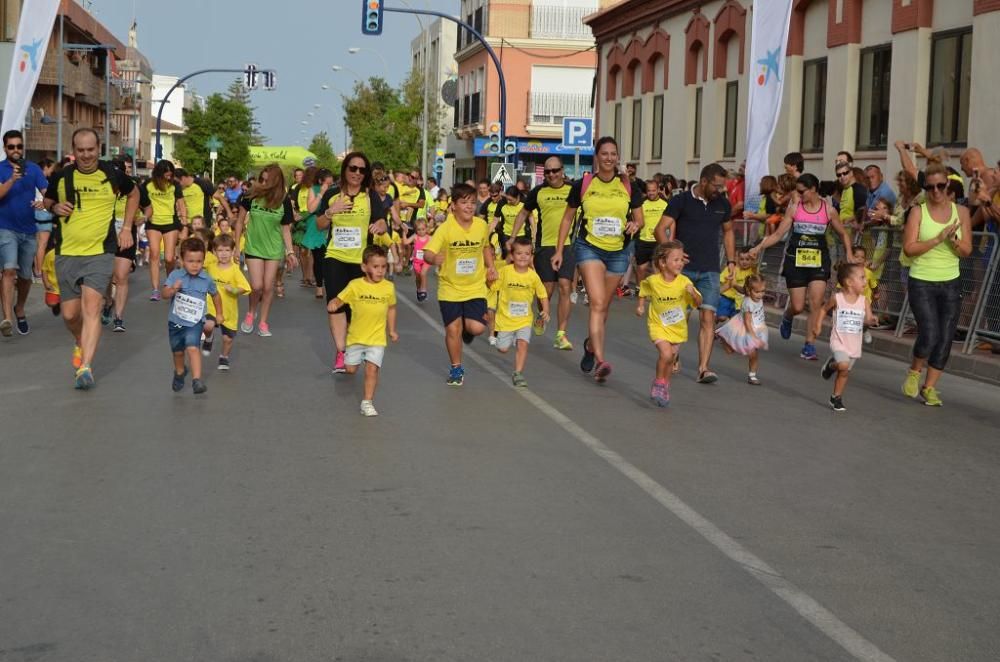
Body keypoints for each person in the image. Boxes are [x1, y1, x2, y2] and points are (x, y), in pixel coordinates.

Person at [42, 128, 139, 389]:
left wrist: (127, 227)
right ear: (73, 151)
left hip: (100, 252)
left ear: (99, 148)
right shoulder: (62, 177)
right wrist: (54, 207)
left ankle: (85, 367)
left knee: (92, 309)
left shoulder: (112, 174)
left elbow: (134, 194)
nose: (86, 155)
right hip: (67, 252)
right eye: (80, 150)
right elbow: (47, 199)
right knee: (70, 315)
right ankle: (79, 340)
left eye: (90, 149)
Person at [551, 136, 645, 383]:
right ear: (597, 156)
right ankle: (601, 361)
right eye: (604, 153)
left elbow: (640, 218)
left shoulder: (627, 186)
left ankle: (590, 347)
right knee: (597, 302)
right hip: (589, 247)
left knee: (604, 307)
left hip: (618, 251)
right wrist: (560, 251)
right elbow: (566, 219)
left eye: (613, 154)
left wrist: (635, 224)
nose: (609, 158)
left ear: (617, 157)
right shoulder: (583, 184)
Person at [748, 173, 854, 360]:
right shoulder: (794, 209)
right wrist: (758, 247)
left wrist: (849, 253)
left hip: (819, 261)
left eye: (801, 191)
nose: (798, 194)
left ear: (813, 189)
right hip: (796, 260)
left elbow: (843, 234)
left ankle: (809, 345)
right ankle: (788, 316)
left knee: (815, 302)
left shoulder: (828, 210)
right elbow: (779, 234)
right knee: (797, 306)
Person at [900, 162, 973, 406]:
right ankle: (914, 371)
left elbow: (966, 251)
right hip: (922, 280)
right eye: (930, 187)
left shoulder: (961, 213)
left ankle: (929, 388)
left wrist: (952, 241)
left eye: (941, 186)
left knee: (945, 337)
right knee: (929, 333)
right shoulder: (918, 212)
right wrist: (937, 238)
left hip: (950, 281)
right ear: (926, 188)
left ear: (948, 185)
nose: (936, 191)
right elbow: (909, 250)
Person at [655, 162, 734, 384]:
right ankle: (673, 353)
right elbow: (660, 229)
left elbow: (728, 233)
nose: (720, 190)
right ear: (704, 181)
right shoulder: (681, 201)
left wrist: (732, 261)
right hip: (684, 272)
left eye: (722, 186)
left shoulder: (723, 205)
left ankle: (703, 368)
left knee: (708, 317)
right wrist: (672, 255)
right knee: (681, 316)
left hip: (710, 270)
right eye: (717, 186)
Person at [315, 151, 388, 373]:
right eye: (353, 168)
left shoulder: (370, 195)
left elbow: (382, 221)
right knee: (336, 303)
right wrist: (330, 211)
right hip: (335, 256)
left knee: (355, 308)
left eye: (362, 170)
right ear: (345, 169)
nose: (357, 173)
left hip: (360, 261)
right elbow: (319, 225)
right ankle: (341, 351)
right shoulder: (333, 194)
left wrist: (380, 226)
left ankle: (355, 344)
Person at [423, 183, 498, 386]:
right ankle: (456, 368)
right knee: (452, 330)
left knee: (476, 329)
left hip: (475, 286)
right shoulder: (445, 229)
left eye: (472, 203)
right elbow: (428, 252)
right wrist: (433, 259)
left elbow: (485, 247)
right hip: (450, 288)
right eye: (464, 203)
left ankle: (468, 328)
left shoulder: (481, 226)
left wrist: (491, 267)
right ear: (453, 205)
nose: (469, 207)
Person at [510, 156, 577, 350]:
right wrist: (514, 236)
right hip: (544, 246)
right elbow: (523, 213)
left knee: (565, 286)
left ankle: (561, 334)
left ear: (562, 170)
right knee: (546, 292)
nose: (552, 175)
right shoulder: (538, 192)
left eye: (555, 170)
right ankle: (542, 314)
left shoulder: (573, 190)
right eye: (547, 172)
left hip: (566, 245)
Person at [327, 244, 398, 416]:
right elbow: (340, 298)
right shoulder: (355, 285)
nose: (380, 271)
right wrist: (334, 303)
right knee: (351, 369)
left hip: (377, 339)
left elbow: (391, 308)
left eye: (383, 267)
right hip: (356, 338)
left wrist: (392, 330)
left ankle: (367, 402)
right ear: (364, 267)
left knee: (372, 369)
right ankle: (346, 357)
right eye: (376, 267)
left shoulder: (388, 287)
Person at [233, 164, 298, 337]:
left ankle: (263, 322)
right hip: (253, 246)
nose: (262, 183)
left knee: (268, 287)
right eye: (261, 179)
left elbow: (285, 229)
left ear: (275, 181)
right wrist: (237, 246)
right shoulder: (250, 195)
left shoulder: (283, 200)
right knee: (257, 286)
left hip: (273, 249)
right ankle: (250, 312)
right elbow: (239, 221)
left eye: (266, 180)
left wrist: (290, 252)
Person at [635, 241, 702, 408]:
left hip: (677, 328)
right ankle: (658, 382)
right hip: (658, 325)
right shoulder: (653, 281)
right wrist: (641, 305)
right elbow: (643, 289)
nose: (680, 263)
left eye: (681, 260)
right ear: (663, 263)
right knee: (665, 354)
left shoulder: (684, 282)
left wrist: (693, 294)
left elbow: (699, 302)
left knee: (671, 359)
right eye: (675, 260)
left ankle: (665, 386)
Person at [0, 130, 48, 336]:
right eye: (11, 147)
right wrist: (12, 179)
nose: (16, 150)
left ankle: (20, 308)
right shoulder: (1, 169)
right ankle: (8, 318)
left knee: (26, 277)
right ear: (5, 149)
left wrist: (43, 202)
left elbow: (48, 195)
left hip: (29, 230)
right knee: (9, 270)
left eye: (19, 146)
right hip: (5, 228)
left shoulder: (34, 169)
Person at [162, 237, 222, 395]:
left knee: (193, 347)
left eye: (199, 261)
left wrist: (219, 314)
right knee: (178, 352)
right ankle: (180, 372)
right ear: (182, 260)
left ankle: (197, 380)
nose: (195, 265)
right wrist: (173, 289)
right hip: (176, 322)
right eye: (190, 261)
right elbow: (165, 294)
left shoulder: (206, 278)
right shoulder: (176, 275)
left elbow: (216, 295)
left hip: (195, 321)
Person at [489, 237, 550, 387]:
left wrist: (546, 311)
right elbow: (493, 287)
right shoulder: (504, 272)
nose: (523, 257)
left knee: (523, 343)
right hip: (505, 319)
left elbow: (543, 295)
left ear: (531, 257)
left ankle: (518, 373)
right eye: (519, 253)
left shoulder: (533, 276)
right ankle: (505, 340)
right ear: (512, 255)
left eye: (527, 254)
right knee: (502, 349)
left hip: (524, 319)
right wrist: (489, 280)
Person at [818, 263, 878, 412]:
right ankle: (832, 365)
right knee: (843, 365)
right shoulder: (837, 298)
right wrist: (817, 325)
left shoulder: (864, 301)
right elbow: (823, 309)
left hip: (854, 344)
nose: (865, 281)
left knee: (844, 372)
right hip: (838, 340)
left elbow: (867, 318)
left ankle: (835, 397)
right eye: (862, 278)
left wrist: (872, 320)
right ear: (849, 282)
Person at [140, 159, 187, 301]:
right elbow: (140, 201)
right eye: (166, 175)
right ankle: (155, 289)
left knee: (169, 257)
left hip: (170, 223)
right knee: (154, 254)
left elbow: (181, 204)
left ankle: (169, 284)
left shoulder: (174, 185)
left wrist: (184, 222)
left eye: (170, 175)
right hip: (153, 223)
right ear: (158, 174)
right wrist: (142, 215)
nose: (168, 177)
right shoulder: (147, 185)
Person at [202, 233, 250, 370]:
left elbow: (245, 287)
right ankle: (209, 338)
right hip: (211, 306)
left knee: (227, 339)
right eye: (220, 250)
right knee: (208, 325)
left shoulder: (235, 270)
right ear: (214, 252)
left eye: (227, 250)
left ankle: (224, 357)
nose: (223, 254)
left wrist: (234, 290)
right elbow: (197, 261)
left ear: (233, 251)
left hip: (229, 311)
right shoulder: (210, 266)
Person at [716, 273, 769, 385]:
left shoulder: (751, 294)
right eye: (757, 292)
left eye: (763, 291)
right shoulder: (749, 303)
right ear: (749, 291)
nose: (760, 295)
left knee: (754, 354)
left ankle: (752, 375)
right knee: (732, 351)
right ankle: (723, 338)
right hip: (745, 328)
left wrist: (734, 284)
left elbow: (742, 289)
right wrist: (753, 336)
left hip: (757, 327)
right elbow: (747, 322)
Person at [106, 159, 139, 332]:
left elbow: (147, 207)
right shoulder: (103, 188)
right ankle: (108, 302)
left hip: (126, 235)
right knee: (107, 276)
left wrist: (141, 219)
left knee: (121, 276)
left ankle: (118, 317)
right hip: (105, 236)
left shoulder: (131, 187)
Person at [635, 179, 669, 284]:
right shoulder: (642, 203)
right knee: (641, 268)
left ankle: (657, 290)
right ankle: (640, 288)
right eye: (649, 191)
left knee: (657, 268)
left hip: (658, 241)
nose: (651, 193)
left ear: (658, 190)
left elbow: (671, 222)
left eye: (653, 190)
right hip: (643, 240)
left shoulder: (665, 204)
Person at [716, 251, 757, 323]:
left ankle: (725, 333)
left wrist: (734, 284)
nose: (744, 262)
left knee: (734, 322)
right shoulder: (732, 269)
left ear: (752, 260)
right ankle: (714, 320)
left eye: (747, 259)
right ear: (737, 259)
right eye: (742, 259)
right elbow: (720, 281)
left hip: (740, 302)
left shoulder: (753, 273)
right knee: (721, 317)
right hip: (726, 298)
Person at [491, 185, 530, 260]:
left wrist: (534, 235)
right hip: (506, 234)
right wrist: (486, 235)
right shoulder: (502, 203)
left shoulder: (524, 202)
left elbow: (531, 219)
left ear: (518, 197)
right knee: (508, 257)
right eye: (507, 199)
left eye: (511, 200)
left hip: (522, 235)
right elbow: (495, 220)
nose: (508, 201)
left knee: (520, 257)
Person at [402, 217, 431, 301]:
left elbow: (437, 244)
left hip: (426, 260)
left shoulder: (429, 238)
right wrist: (404, 233)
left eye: (423, 229)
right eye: (419, 230)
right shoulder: (415, 237)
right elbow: (406, 242)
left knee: (423, 274)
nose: (421, 231)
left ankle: (424, 291)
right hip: (417, 261)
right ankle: (419, 290)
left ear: (426, 228)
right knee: (418, 277)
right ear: (416, 230)